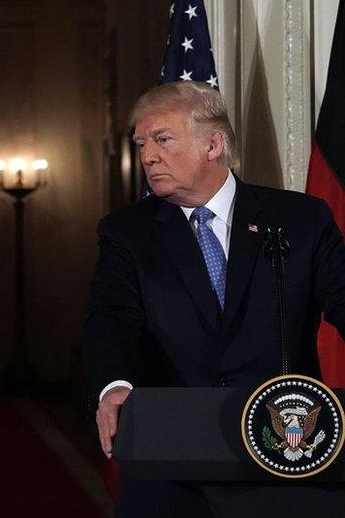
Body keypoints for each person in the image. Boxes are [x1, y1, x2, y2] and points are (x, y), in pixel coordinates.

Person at [82, 81, 345, 517]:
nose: (147, 155)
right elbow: (111, 319)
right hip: (172, 457)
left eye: (162, 139)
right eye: (142, 143)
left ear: (213, 143)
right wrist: (113, 384)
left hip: (282, 450)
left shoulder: (299, 220)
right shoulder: (127, 232)